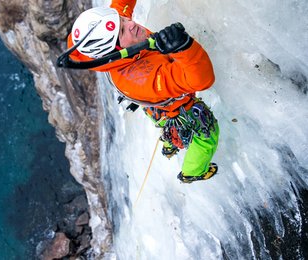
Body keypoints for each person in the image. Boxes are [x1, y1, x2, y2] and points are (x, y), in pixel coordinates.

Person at [66, 0, 219, 183]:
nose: (130, 24)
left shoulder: (109, 31)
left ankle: (170, 143)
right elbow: (201, 80)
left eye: (122, 20)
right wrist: (184, 47)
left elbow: (122, 4)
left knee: (164, 120)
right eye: (122, 30)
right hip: (173, 104)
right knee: (207, 132)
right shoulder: (140, 77)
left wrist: (120, 23)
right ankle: (193, 171)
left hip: (154, 105)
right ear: (113, 51)